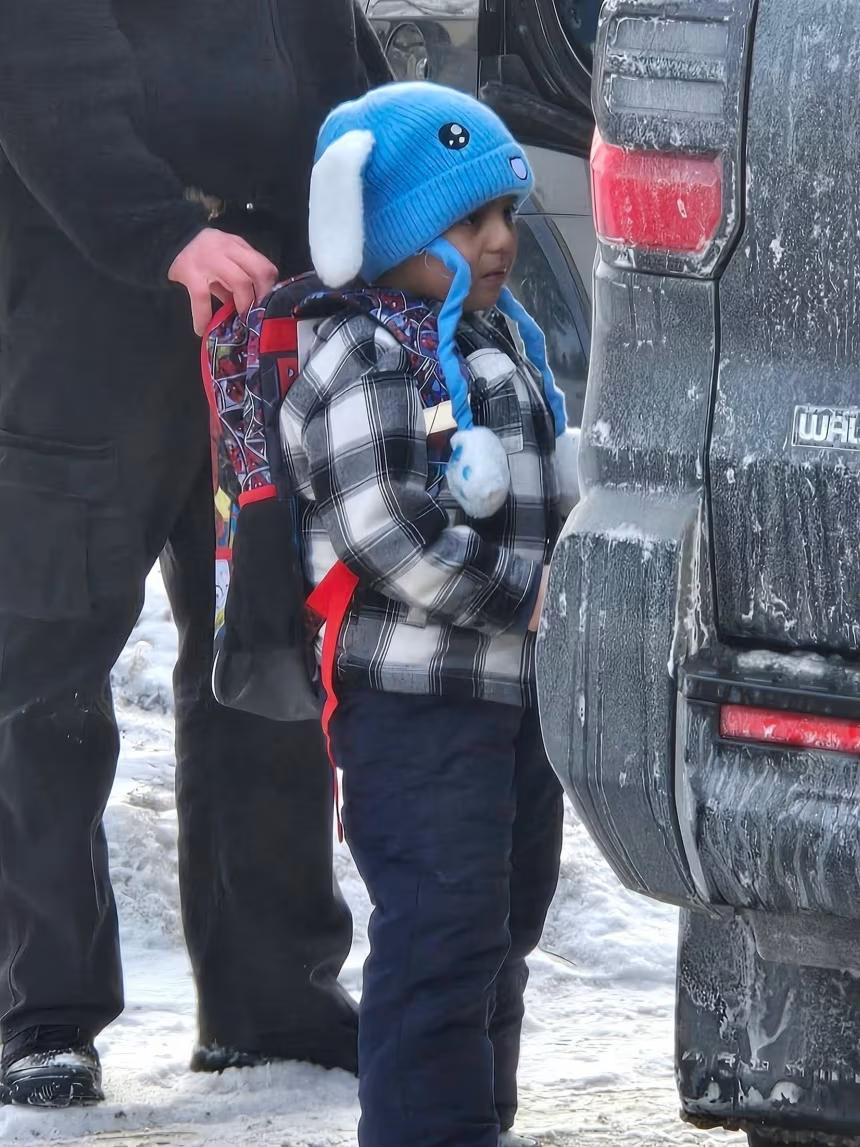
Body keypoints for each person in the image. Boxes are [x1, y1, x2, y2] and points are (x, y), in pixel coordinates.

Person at [0, 0, 390, 1108]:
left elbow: (348, 88)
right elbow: (38, 68)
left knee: (265, 650)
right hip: (85, 324)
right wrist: (162, 233)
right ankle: (40, 1012)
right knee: (46, 665)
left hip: (269, 319)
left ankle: (271, 1001)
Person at [280, 82, 578, 1147]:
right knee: (438, 936)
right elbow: (386, 531)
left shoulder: (503, 341)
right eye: (466, 220)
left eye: (504, 214)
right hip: (413, 706)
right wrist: (526, 598)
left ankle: (475, 1122)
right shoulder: (362, 352)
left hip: (511, 701)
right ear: (385, 228)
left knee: (502, 930)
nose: (498, 240)